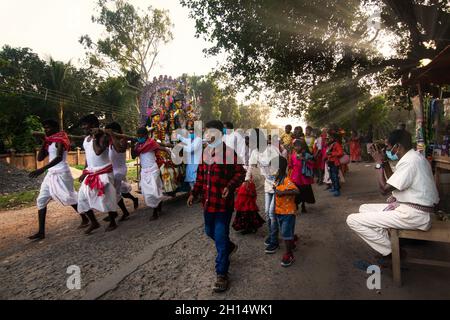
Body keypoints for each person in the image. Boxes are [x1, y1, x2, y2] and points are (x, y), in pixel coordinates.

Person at [346, 130, 439, 266]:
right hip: (411, 209)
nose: (387, 150)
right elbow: (393, 181)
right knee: (363, 208)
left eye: (388, 147)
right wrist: (383, 162)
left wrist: (378, 163)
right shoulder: (413, 157)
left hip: (415, 215)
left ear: (398, 146)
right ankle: (387, 244)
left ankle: (392, 251)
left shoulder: (410, 162)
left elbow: (384, 189)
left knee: (352, 220)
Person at [187, 120, 245, 293]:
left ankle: (222, 274)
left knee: (219, 236)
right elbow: (200, 177)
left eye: (209, 132)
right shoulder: (205, 153)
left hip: (223, 205)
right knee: (209, 232)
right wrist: (193, 193)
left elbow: (240, 172)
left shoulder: (229, 153)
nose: (206, 135)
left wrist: (230, 186)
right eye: (205, 132)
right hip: (207, 204)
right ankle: (229, 247)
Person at [28, 119, 86, 240]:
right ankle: (41, 232)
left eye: (48, 128)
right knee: (41, 200)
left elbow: (59, 157)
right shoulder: (49, 142)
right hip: (51, 174)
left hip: (62, 173)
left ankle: (86, 218)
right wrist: (44, 142)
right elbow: (39, 158)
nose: (45, 130)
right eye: (44, 128)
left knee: (69, 197)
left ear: (55, 128)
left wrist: (42, 169)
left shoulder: (61, 139)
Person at [77, 114, 119, 234]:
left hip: (104, 171)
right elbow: (88, 157)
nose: (83, 127)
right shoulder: (86, 139)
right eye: (82, 125)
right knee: (82, 197)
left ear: (94, 125)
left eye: (85, 125)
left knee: (107, 197)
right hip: (91, 172)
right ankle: (94, 222)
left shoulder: (103, 137)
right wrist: (84, 172)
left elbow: (98, 152)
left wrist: (95, 137)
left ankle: (112, 221)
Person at [242, 129, 280, 249]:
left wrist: (277, 180)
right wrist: (246, 179)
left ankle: (274, 240)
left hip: (278, 184)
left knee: (272, 213)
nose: (249, 143)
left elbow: (281, 167)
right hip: (268, 185)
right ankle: (273, 234)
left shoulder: (272, 150)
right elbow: (250, 167)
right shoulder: (255, 152)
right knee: (267, 213)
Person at [103, 122, 139, 222]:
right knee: (121, 191)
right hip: (112, 170)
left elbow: (119, 149)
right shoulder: (110, 140)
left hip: (119, 171)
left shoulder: (123, 140)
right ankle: (133, 200)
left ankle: (118, 212)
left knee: (113, 192)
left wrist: (112, 135)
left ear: (116, 131)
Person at [132, 127, 169, 220]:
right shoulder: (138, 145)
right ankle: (158, 203)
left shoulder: (151, 143)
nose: (140, 138)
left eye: (141, 136)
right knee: (146, 193)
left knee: (153, 192)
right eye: (138, 136)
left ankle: (155, 212)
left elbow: (160, 147)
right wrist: (134, 145)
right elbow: (133, 155)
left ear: (146, 135)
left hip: (153, 170)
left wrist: (168, 150)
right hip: (144, 171)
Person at [274, 156, 300, 267]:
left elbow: (296, 190)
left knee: (285, 233)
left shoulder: (286, 180)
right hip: (280, 212)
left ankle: (289, 254)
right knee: (286, 232)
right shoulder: (277, 180)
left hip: (288, 212)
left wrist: (283, 192)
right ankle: (292, 241)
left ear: (279, 169)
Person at [289, 139, 316, 213]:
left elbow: (312, 163)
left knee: (304, 191)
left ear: (302, 146)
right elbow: (290, 165)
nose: (296, 147)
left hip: (304, 177)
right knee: (296, 191)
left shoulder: (306, 155)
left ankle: (303, 205)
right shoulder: (293, 155)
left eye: (298, 146)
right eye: (295, 146)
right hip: (295, 176)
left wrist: (304, 159)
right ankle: (296, 205)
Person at [177, 125, 202, 190]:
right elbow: (184, 139)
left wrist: (182, 146)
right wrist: (178, 136)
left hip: (196, 162)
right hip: (190, 162)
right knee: (190, 178)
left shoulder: (198, 139)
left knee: (195, 178)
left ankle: (195, 192)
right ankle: (192, 191)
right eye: (190, 133)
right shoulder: (190, 139)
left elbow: (191, 149)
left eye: (192, 133)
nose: (191, 134)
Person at [326, 132, 344, 197]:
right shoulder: (330, 144)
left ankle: (337, 190)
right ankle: (334, 187)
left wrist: (332, 153)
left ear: (333, 138)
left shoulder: (336, 144)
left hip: (335, 162)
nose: (328, 139)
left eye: (330, 138)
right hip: (330, 162)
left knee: (335, 176)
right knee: (331, 176)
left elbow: (340, 153)